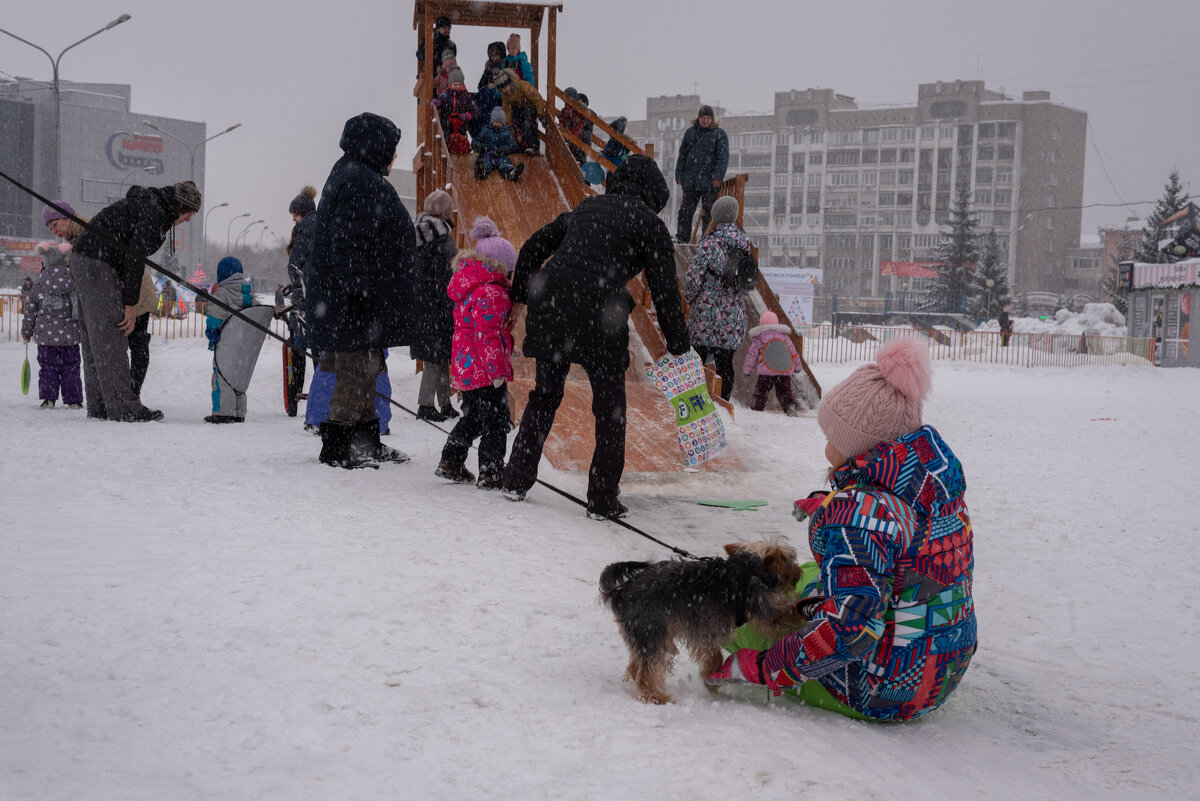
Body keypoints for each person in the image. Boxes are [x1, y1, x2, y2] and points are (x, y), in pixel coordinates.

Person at [707, 338, 976, 722]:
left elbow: (851, 631)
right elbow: (902, 529)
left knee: (748, 611)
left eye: (834, 435)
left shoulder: (857, 520)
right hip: (945, 663)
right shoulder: (933, 479)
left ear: (859, 444)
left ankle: (761, 654)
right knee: (816, 575)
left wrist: (763, 667)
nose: (826, 445)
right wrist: (831, 505)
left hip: (884, 689)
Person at [502, 154, 690, 519]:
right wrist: (680, 347)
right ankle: (602, 500)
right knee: (609, 410)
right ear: (654, 197)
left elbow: (531, 248)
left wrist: (522, 296)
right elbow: (665, 293)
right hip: (601, 316)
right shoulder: (650, 226)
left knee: (544, 396)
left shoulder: (586, 208)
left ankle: (515, 479)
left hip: (553, 304)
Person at [303, 112, 414, 469]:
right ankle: (337, 448)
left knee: (367, 369)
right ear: (376, 146)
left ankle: (366, 442)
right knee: (355, 373)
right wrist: (357, 293)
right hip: (351, 302)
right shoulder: (359, 180)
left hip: (351, 299)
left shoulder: (351, 173)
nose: (394, 157)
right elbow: (350, 243)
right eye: (392, 150)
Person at [71, 181, 202, 422]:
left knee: (95, 338)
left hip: (86, 259)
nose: (188, 220)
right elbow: (134, 259)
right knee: (111, 335)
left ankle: (100, 405)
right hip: (97, 262)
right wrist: (130, 306)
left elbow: (129, 254)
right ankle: (123, 407)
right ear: (181, 206)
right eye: (189, 214)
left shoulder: (150, 206)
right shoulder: (153, 214)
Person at [435, 217, 517, 490]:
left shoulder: (468, 287)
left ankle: (451, 460)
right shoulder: (492, 292)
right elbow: (487, 335)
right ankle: (491, 471)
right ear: (501, 266)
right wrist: (496, 373)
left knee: (472, 417)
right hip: (485, 370)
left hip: (466, 367)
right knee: (496, 421)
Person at [43, 199, 155, 398]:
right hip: (120, 294)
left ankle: (131, 397)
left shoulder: (90, 230)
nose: (54, 230)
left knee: (136, 344)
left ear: (67, 217)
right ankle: (125, 396)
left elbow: (117, 266)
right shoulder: (77, 239)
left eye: (55, 224)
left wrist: (129, 302)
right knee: (120, 347)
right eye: (50, 228)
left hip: (135, 292)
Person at [685, 195, 752, 401]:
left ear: (715, 214)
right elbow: (747, 283)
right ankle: (723, 405)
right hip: (733, 316)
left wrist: (690, 297)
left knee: (697, 363)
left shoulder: (709, 242)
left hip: (707, 314)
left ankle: (695, 405)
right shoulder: (744, 244)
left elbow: (693, 276)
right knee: (725, 365)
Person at [411, 189, 459, 422]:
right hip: (437, 305)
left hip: (421, 303)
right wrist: (451, 309)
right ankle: (426, 404)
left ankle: (444, 402)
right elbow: (447, 278)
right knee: (435, 356)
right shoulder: (443, 239)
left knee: (438, 354)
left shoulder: (418, 233)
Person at [22, 242, 83, 410]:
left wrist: (27, 331)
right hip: (70, 336)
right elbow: (80, 306)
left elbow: (31, 309)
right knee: (71, 367)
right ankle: (74, 400)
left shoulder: (40, 284)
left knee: (48, 367)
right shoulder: (73, 281)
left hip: (46, 337)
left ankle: (49, 399)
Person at [203, 257, 254, 423]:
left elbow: (214, 318)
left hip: (226, 344)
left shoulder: (223, 294)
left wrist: (212, 332)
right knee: (239, 378)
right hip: (245, 347)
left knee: (222, 377)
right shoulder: (249, 294)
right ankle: (239, 412)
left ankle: (224, 412)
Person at [675, 105, 729, 244]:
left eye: (708, 118)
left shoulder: (719, 134)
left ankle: (707, 241)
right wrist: (679, 174)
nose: (705, 121)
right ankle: (682, 239)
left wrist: (718, 176)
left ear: (712, 119)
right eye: (703, 118)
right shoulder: (690, 133)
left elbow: (723, 157)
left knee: (709, 214)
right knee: (685, 212)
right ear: (698, 118)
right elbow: (682, 155)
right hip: (690, 180)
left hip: (709, 182)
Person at [742, 310, 801, 415]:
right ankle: (789, 406)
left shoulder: (760, 337)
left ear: (761, 324)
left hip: (766, 371)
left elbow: (752, 355)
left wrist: (747, 371)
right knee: (784, 390)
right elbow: (793, 352)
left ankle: (757, 408)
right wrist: (797, 366)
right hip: (783, 370)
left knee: (761, 391)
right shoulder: (784, 336)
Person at [493, 68, 547, 156]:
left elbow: (537, 99)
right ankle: (521, 146)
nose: (504, 90)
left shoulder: (523, 86)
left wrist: (541, 114)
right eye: (501, 89)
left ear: (509, 83)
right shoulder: (505, 95)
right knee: (517, 124)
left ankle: (533, 146)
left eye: (505, 87)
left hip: (530, 107)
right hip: (519, 110)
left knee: (529, 122)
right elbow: (507, 109)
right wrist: (508, 123)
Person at [432, 67, 477, 154]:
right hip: (448, 121)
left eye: (460, 84)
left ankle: (464, 149)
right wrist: (437, 102)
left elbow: (474, 111)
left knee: (461, 135)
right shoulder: (446, 95)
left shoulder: (466, 97)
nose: (458, 87)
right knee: (444, 129)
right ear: (450, 84)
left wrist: (467, 115)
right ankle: (445, 147)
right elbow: (440, 100)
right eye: (455, 84)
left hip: (460, 123)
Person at [473, 107, 526, 182]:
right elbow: (476, 139)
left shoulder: (507, 132)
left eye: (500, 122)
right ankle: (482, 170)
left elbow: (513, 145)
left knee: (505, 163)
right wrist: (477, 144)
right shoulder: (486, 131)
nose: (497, 123)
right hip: (487, 154)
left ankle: (511, 172)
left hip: (501, 155)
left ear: (503, 123)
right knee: (485, 161)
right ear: (492, 121)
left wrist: (506, 149)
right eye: (496, 121)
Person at [472, 41, 507, 139]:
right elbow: (481, 86)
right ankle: (482, 134)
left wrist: (496, 87)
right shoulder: (488, 69)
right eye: (492, 55)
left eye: (497, 55)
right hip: (488, 104)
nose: (495, 58)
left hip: (502, 101)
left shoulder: (506, 67)